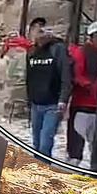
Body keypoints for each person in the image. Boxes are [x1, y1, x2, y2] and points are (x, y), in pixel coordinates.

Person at [25, 18, 71, 158]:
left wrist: (63, 99)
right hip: (36, 104)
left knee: (45, 142)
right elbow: (29, 77)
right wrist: (29, 98)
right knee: (36, 143)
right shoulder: (32, 51)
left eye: (41, 30)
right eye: (35, 30)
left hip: (52, 104)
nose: (38, 34)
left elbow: (65, 75)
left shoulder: (57, 48)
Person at [66, 22, 97, 163]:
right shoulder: (82, 52)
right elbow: (77, 75)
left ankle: (95, 168)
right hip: (82, 103)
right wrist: (91, 86)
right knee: (76, 144)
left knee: (96, 144)